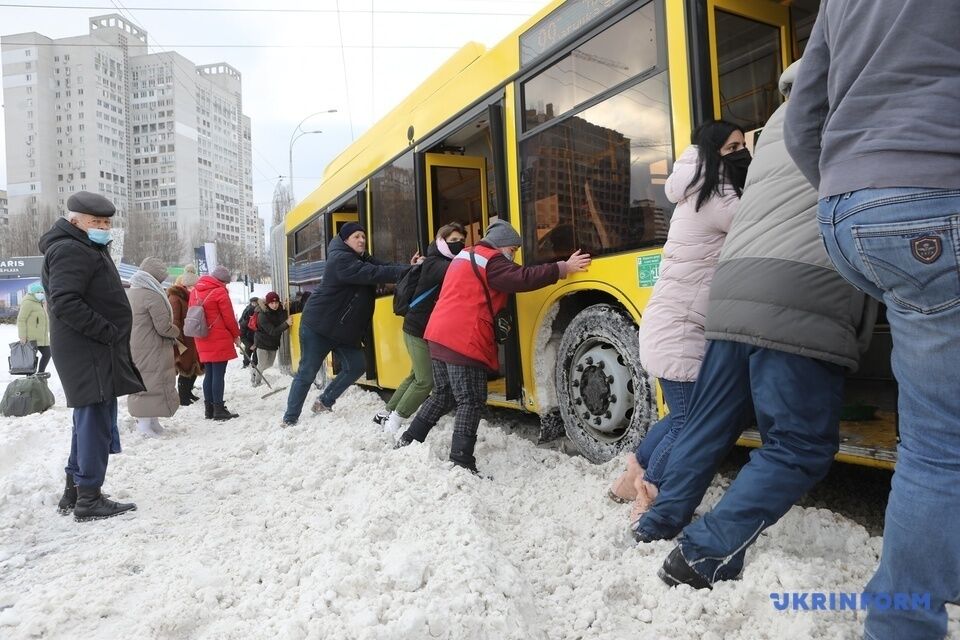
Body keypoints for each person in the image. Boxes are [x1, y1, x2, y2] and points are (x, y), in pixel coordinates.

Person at [632, 62, 875, 591]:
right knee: (799, 445)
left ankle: (656, 523)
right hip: (800, 295)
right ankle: (704, 554)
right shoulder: (862, 105)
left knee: (706, 424)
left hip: (730, 301)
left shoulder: (777, 128)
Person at [784, 4, 960, 637]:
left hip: (851, 212)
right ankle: (901, 622)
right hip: (937, 192)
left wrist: (860, 188)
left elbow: (803, 122)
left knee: (936, 442)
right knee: (945, 447)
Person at [609, 120, 747, 520]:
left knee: (678, 415)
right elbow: (757, 223)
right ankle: (649, 495)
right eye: (733, 146)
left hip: (672, 322)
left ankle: (628, 480)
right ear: (712, 150)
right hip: (680, 328)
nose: (741, 152)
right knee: (689, 420)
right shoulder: (717, 196)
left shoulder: (696, 191)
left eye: (743, 145)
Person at [396, 220, 591, 474]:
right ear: (501, 246)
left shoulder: (466, 255)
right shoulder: (492, 260)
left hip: (437, 333)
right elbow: (522, 278)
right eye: (513, 250)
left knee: (443, 395)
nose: (514, 255)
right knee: (471, 400)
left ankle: (409, 439)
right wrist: (563, 267)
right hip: (462, 338)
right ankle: (461, 461)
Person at [39, 191, 142, 521]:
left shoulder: (84, 246)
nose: (102, 226)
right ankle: (89, 499)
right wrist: (107, 332)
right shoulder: (71, 248)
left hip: (91, 352)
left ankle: (75, 492)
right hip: (90, 351)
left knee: (87, 423)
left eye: (107, 222)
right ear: (75, 221)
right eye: (95, 221)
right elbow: (65, 302)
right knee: (95, 423)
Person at [282, 222, 414, 426]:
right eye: (356, 237)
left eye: (363, 236)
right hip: (318, 327)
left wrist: (412, 269)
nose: (362, 240)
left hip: (343, 331)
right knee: (307, 372)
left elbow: (383, 266)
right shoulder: (341, 259)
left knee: (357, 365)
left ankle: (324, 402)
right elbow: (374, 274)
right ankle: (290, 418)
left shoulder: (359, 257)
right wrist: (411, 271)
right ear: (345, 240)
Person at [373, 222, 467, 435]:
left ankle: (387, 413)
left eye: (461, 241)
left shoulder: (436, 261)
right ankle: (395, 421)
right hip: (417, 329)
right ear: (441, 241)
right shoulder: (437, 263)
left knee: (415, 375)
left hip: (424, 329)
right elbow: (459, 271)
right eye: (453, 241)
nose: (458, 245)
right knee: (425, 381)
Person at [127, 257, 180, 436]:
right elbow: (163, 326)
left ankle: (151, 423)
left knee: (143, 383)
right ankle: (145, 426)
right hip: (153, 347)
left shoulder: (131, 292)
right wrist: (176, 331)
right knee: (152, 384)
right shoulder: (152, 295)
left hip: (136, 346)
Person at [192, 265, 242, 421]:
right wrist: (236, 335)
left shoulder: (195, 291)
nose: (226, 285)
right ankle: (219, 409)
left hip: (201, 337)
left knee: (210, 374)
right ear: (222, 281)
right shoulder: (219, 292)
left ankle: (209, 409)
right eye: (226, 282)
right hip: (218, 338)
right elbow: (229, 318)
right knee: (218, 375)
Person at [167, 265, 203, 406]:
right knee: (185, 367)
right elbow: (175, 319)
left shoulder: (190, 296)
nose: (192, 288)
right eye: (189, 286)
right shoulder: (176, 297)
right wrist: (178, 338)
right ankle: (183, 396)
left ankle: (188, 392)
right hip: (183, 339)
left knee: (194, 366)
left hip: (192, 337)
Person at [251, 291, 292, 387]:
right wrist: (286, 324)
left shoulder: (279, 310)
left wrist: (284, 309)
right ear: (267, 303)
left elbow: (282, 320)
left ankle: (254, 371)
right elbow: (272, 331)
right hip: (262, 342)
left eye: (276, 303)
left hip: (273, 343)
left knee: (269, 364)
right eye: (272, 303)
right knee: (261, 364)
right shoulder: (262, 314)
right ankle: (257, 382)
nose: (274, 305)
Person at [17, 282, 51, 374]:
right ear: (32, 293)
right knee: (30, 360)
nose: (40, 294)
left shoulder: (40, 303)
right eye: (38, 292)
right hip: (31, 338)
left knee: (47, 354)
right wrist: (22, 336)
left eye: (41, 292)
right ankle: (30, 379)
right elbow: (21, 320)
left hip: (42, 337)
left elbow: (43, 319)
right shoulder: (28, 303)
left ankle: (40, 374)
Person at [238, 296, 260, 369]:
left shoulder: (260, 316)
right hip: (248, 337)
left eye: (255, 303)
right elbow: (242, 335)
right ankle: (246, 364)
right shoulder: (245, 321)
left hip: (258, 338)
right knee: (248, 349)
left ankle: (255, 364)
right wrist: (250, 345)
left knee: (257, 352)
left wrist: (256, 344)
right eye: (253, 303)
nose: (254, 304)